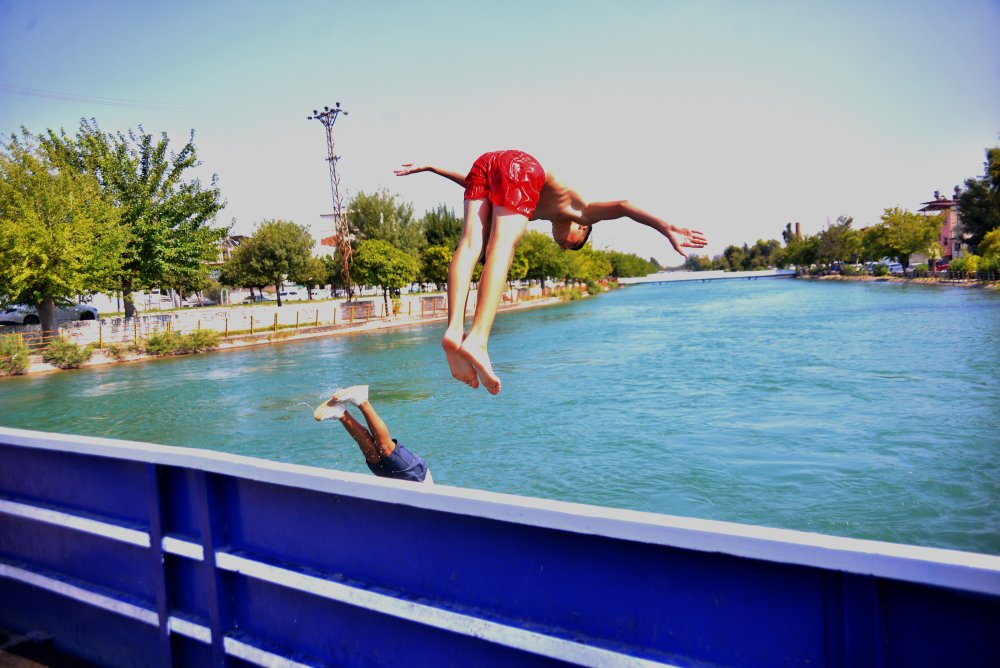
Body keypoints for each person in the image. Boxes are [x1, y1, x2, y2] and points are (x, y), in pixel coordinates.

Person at [395, 151, 708, 395]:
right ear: (583, 229)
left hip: (487, 164)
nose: (564, 247)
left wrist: (434, 169)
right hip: (523, 165)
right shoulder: (584, 211)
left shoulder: (530, 210)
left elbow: (480, 181)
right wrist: (666, 226)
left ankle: (453, 330)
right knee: (501, 245)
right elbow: (625, 205)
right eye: (573, 245)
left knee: (470, 242)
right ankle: (477, 339)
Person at [313, 385, 432, 483]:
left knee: (371, 454)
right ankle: (361, 400)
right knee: (385, 448)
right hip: (416, 478)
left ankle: (340, 413)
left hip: (389, 481)